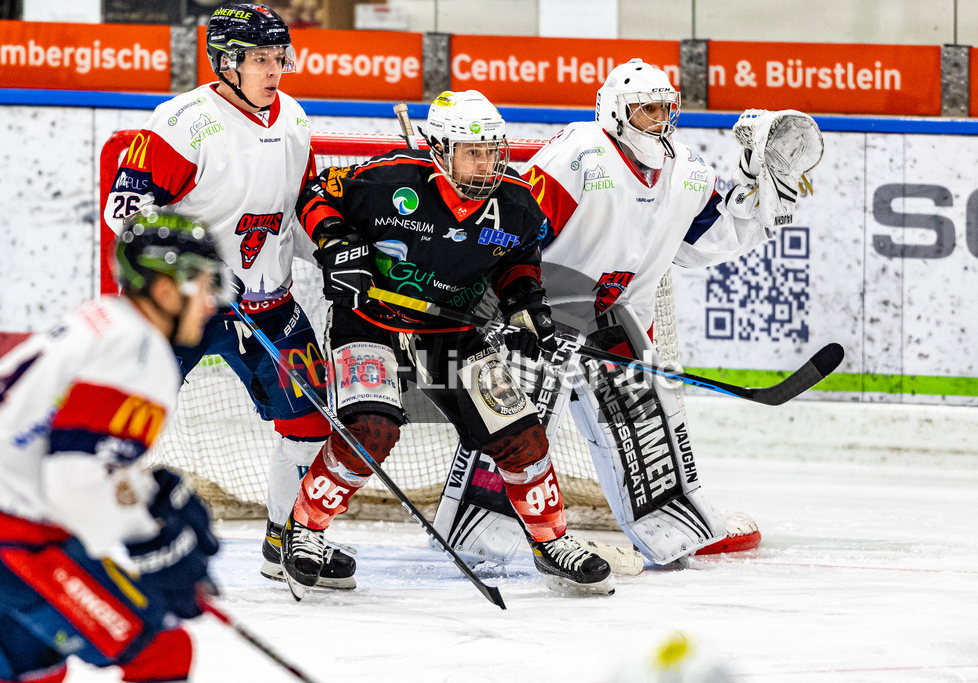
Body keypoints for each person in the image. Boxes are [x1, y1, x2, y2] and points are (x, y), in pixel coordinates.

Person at [432, 59, 821, 569]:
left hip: (617, 316)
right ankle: (478, 533)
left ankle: (674, 528)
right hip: (539, 312)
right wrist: (492, 303)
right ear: (616, 112)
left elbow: (703, 243)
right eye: (646, 109)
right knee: (513, 427)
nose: (659, 120)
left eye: (666, 108)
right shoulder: (580, 153)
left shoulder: (687, 168)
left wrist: (759, 188)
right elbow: (517, 226)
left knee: (644, 426)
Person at [283, 89, 614, 598]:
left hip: (452, 328)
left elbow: (516, 261)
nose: (486, 164)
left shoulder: (516, 203)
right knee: (370, 429)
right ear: (439, 150)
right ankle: (303, 531)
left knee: (520, 434)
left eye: (492, 151)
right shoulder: (387, 180)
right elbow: (317, 195)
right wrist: (337, 244)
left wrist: (527, 305)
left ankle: (551, 540)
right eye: (472, 152)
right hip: (370, 319)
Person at [103, 3, 356, 589]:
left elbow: (303, 204)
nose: (274, 70)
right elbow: (127, 211)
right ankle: (104, 537)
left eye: (278, 58)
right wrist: (196, 271)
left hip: (268, 305)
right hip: (177, 310)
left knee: (311, 422)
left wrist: (336, 248)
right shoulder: (183, 120)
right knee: (125, 418)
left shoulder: (292, 117)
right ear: (225, 62)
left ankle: (285, 541)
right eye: (260, 59)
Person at [0, 209, 224, 683]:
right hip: (5, 537)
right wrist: (154, 543)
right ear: (166, 290)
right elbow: (74, 478)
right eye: (205, 285)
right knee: (161, 653)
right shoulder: (139, 350)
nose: (212, 302)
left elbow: (74, 450)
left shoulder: (101, 319)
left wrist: (144, 495)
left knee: (38, 669)